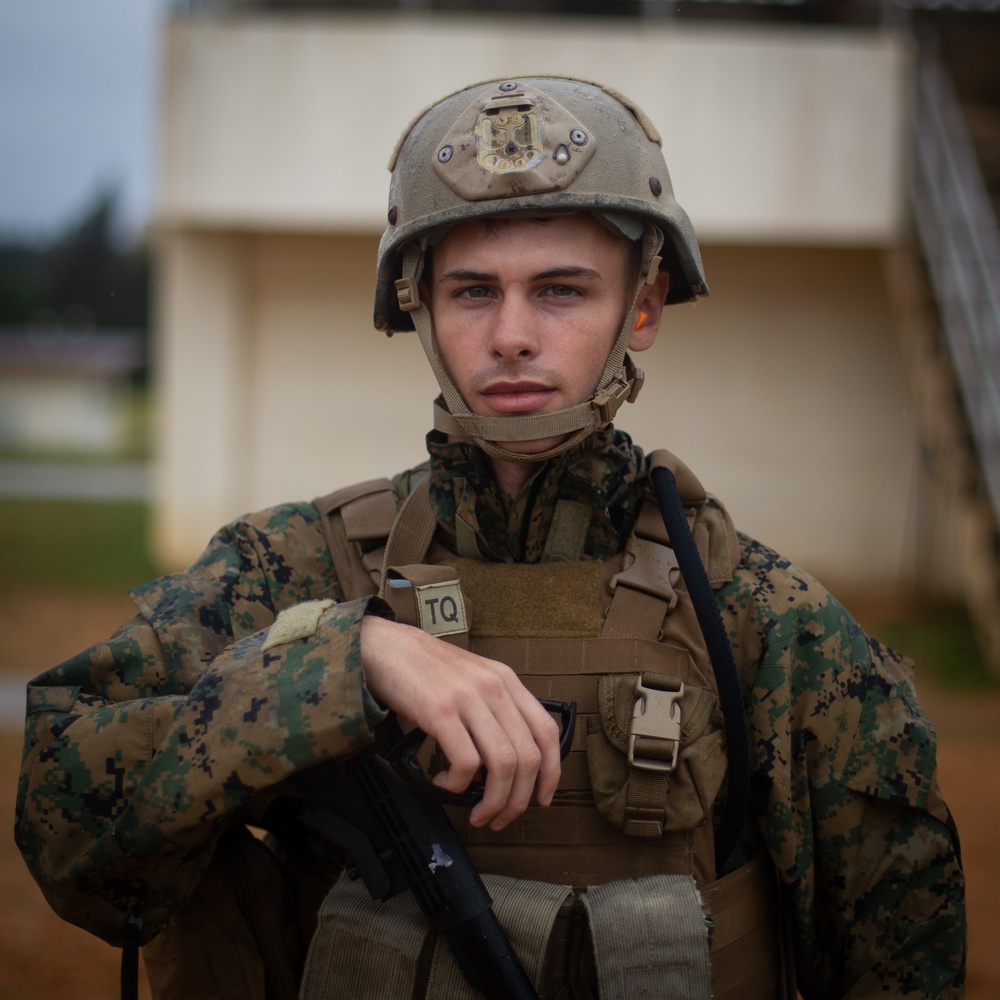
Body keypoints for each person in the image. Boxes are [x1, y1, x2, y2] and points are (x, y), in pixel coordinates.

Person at [15, 76, 965, 1000]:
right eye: (473, 292)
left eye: (560, 291)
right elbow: (65, 814)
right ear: (418, 306)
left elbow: (899, 962)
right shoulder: (293, 568)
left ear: (640, 309)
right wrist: (347, 662)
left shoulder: (759, 618)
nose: (512, 335)